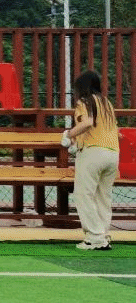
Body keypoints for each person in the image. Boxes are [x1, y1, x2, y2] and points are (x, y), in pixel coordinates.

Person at [64, 70, 118, 251]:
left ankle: (94, 237)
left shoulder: (85, 102)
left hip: (93, 152)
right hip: (113, 153)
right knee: (103, 196)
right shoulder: (106, 103)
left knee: (83, 195)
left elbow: (87, 123)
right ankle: (103, 235)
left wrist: (69, 134)